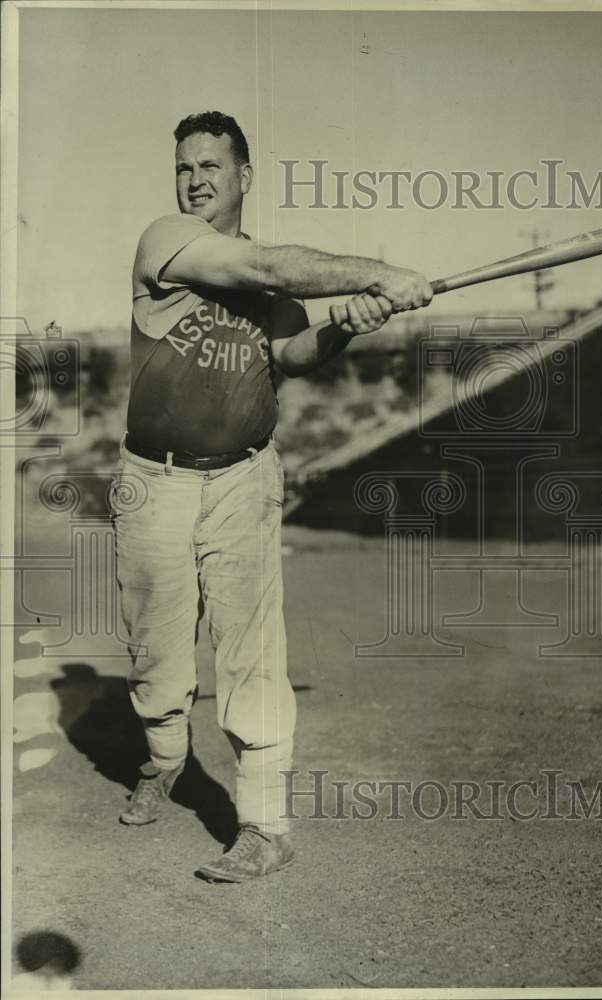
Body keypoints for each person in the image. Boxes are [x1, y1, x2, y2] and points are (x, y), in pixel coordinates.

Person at [112, 110, 432, 882]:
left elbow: (292, 352)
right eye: (185, 167)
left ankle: (262, 824)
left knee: (252, 649)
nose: (194, 180)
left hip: (244, 477)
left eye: (210, 167)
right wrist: (373, 272)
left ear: (243, 177)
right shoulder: (169, 241)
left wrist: (354, 322)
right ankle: (164, 759)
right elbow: (267, 275)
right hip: (154, 478)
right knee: (155, 655)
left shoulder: (265, 267)